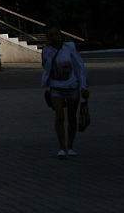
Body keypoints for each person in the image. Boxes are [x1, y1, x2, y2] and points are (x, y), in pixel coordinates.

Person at [41, 25, 89, 157]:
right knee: (60, 115)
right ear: (47, 37)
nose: (54, 37)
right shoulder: (47, 50)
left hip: (71, 86)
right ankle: (61, 147)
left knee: (71, 117)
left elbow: (79, 66)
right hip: (56, 86)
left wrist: (83, 86)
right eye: (51, 35)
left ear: (60, 35)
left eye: (56, 34)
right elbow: (46, 67)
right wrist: (49, 51)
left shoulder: (69, 48)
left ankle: (71, 146)